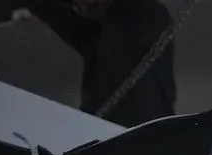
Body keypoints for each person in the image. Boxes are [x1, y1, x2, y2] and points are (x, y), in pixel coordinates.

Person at [21, 0, 177, 127]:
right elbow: (51, 10)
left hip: (144, 135)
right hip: (104, 137)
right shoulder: (93, 33)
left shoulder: (146, 15)